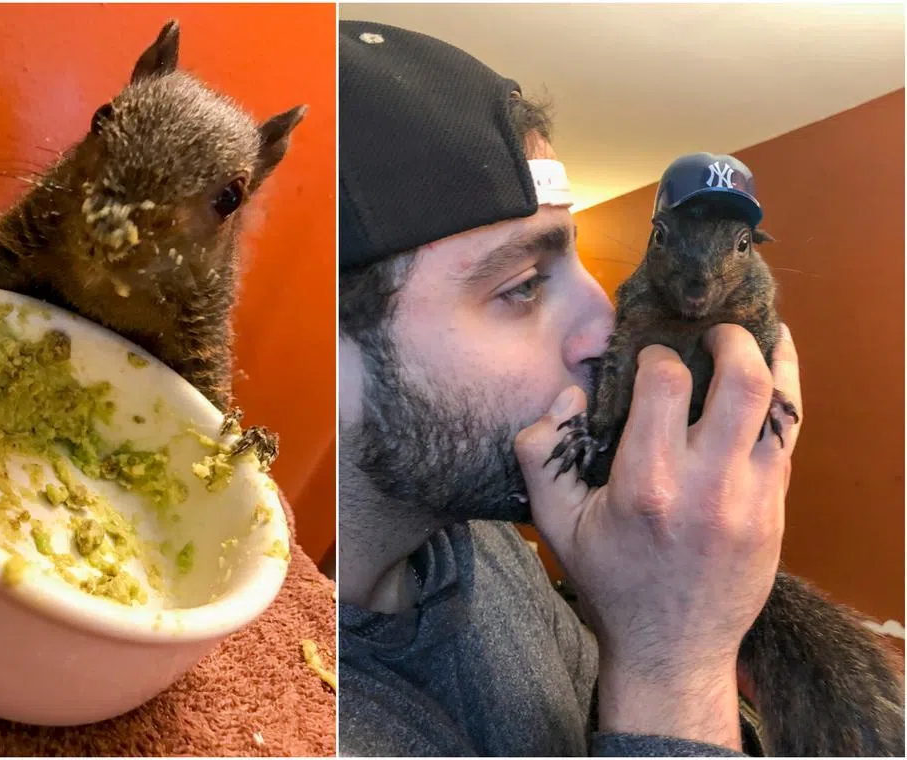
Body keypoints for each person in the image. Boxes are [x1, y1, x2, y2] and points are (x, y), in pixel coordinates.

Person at [337, 20, 802, 757]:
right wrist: (674, 669)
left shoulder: (490, 548)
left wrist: (655, 622)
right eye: (523, 285)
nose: (607, 323)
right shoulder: (291, 716)